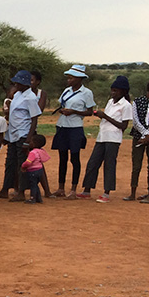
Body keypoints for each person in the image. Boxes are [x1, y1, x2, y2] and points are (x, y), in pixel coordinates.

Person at [81, 76, 133, 203]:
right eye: (112, 90)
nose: (113, 93)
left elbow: (123, 126)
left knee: (109, 165)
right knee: (93, 163)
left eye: (116, 91)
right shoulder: (110, 102)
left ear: (123, 92)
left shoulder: (126, 105)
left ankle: (106, 193)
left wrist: (105, 116)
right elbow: (107, 118)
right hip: (102, 136)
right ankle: (87, 190)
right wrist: (100, 116)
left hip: (113, 138)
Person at [0, 70, 41, 202]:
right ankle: (5, 189)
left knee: (22, 164)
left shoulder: (30, 98)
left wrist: (28, 140)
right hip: (13, 134)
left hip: (23, 134)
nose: (16, 84)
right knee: (10, 163)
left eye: (18, 82)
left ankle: (21, 191)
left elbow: (34, 120)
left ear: (25, 83)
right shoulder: (18, 95)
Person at [51, 65, 95, 198]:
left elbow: (89, 111)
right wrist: (63, 111)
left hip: (75, 127)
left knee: (74, 158)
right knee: (62, 158)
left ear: (79, 79)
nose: (68, 80)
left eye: (71, 78)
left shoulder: (86, 93)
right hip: (62, 126)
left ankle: (73, 190)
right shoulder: (66, 91)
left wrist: (74, 112)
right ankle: (61, 188)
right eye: (68, 78)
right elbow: (62, 104)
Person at [21, 134, 50, 204]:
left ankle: (32, 198)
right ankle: (38, 198)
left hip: (33, 171)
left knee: (33, 185)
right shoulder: (40, 151)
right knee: (35, 185)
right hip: (39, 170)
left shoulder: (33, 153)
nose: (29, 143)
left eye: (31, 141)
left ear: (34, 144)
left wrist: (23, 166)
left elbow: (28, 162)